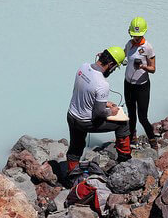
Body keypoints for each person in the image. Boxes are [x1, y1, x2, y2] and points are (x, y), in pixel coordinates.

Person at [66, 46, 131, 174]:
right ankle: (124, 159)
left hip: (71, 115)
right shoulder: (102, 84)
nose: (113, 70)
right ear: (111, 64)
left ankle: (71, 175)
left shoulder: (83, 67)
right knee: (123, 124)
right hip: (85, 122)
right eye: (114, 68)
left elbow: (85, 92)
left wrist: (105, 103)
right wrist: (111, 111)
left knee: (76, 145)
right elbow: (98, 114)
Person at [124, 17, 157, 149]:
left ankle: (152, 139)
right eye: (133, 35)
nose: (136, 38)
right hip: (128, 84)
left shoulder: (148, 48)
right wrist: (107, 57)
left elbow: (153, 69)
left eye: (138, 36)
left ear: (143, 33)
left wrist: (143, 66)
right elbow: (122, 55)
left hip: (142, 86)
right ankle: (132, 137)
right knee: (131, 114)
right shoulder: (129, 44)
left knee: (142, 117)